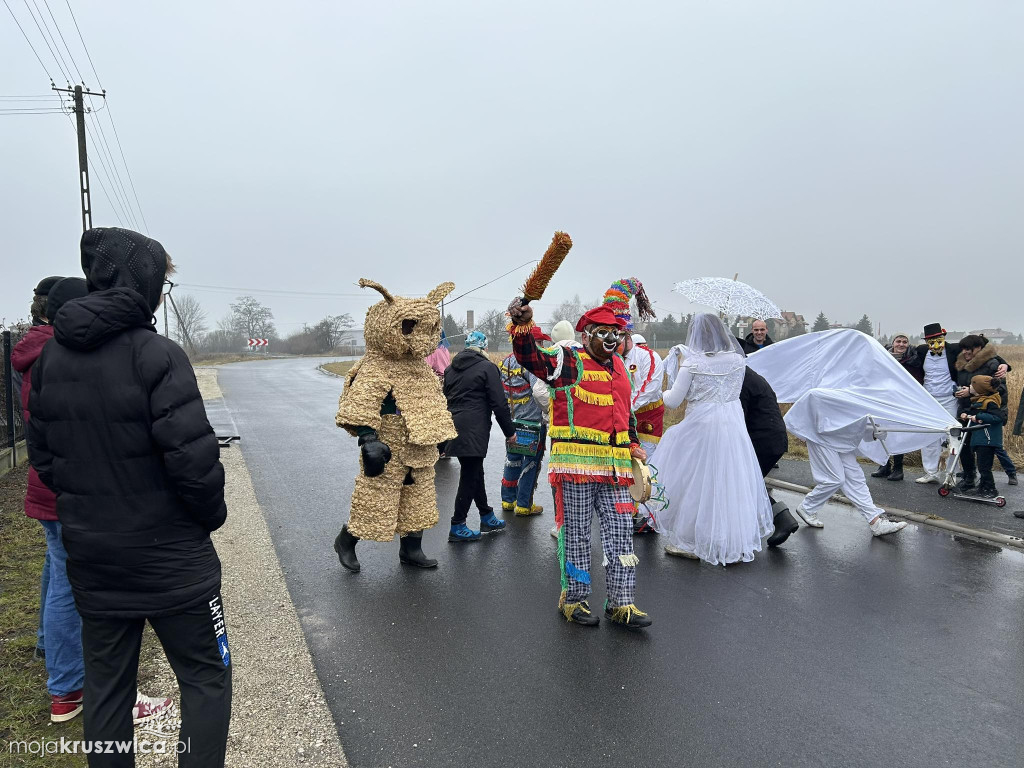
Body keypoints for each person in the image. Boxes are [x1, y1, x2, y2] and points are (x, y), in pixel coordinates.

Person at [28, 228, 231, 766]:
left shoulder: (50, 361)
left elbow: (44, 462)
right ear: (140, 279)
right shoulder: (159, 356)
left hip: (95, 560)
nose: (163, 293)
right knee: (206, 677)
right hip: (174, 562)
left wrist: (91, 508)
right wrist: (207, 522)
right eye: (161, 281)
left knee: (107, 689)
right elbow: (195, 465)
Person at [508, 300, 652, 629]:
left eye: (615, 333)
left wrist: (632, 444)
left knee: (621, 535)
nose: (611, 339)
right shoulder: (570, 362)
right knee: (576, 536)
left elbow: (625, 412)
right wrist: (523, 327)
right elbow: (532, 358)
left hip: (615, 470)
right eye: (603, 333)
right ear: (586, 336)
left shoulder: (619, 367)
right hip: (576, 468)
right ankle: (574, 600)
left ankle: (622, 603)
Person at [334, 279, 458, 571]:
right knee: (375, 500)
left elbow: (433, 401)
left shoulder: (420, 368)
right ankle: (346, 540)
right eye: (409, 327)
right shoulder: (375, 366)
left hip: (420, 445)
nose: (418, 338)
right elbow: (360, 402)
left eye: (426, 329)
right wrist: (368, 438)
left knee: (419, 499)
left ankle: (411, 550)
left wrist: (441, 432)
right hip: (387, 444)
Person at [650, 314, 774, 564]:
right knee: (729, 480)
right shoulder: (738, 360)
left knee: (696, 481)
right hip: (732, 423)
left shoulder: (693, 363)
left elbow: (674, 400)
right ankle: (732, 542)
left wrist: (663, 391)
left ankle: (691, 542)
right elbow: (734, 391)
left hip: (702, 425)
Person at [912, 324, 1008, 485]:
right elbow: (902, 354)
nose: (935, 343)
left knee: (953, 436)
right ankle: (931, 472)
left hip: (950, 399)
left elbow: (985, 353)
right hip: (929, 400)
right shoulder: (921, 352)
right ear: (926, 341)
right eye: (930, 340)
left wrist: (1004, 364)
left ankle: (952, 475)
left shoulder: (955, 349)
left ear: (944, 337)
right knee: (928, 436)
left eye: (938, 339)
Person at [443, 331, 516, 541]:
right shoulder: (487, 368)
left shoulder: (450, 369)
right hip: (474, 428)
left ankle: (486, 516)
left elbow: (445, 397)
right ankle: (457, 524)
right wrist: (509, 431)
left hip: (454, 427)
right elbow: (499, 403)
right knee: (469, 476)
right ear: (483, 348)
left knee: (474, 471)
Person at [739, 367, 799, 547]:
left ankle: (782, 519)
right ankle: (781, 519)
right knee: (748, 483)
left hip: (764, 440)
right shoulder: (751, 376)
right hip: (771, 438)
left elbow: (739, 417)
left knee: (743, 483)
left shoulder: (742, 380)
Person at [499, 326, 550, 517]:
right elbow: (539, 392)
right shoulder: (532, 364)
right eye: (541, 342)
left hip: (512, 421)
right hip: (533, 423)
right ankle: (523, 504)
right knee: (531, 463)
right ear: (533, 344)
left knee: (512, 460)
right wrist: (549, 411)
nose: (543, 346)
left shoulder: (506, 362)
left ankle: (507, 500)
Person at [953, 334, 1015, 491]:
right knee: (964, 446)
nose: (966, 352)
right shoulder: (960, 364)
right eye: (964, 349)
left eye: (969, 349)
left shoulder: (992, 364)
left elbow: (1000, 388)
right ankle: (969, 477)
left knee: (983, 450)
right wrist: (959, 392)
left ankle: (987, 484)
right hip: (965, 411)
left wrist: (972, 392)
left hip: (985, 412)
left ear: (979, 348)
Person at [871, 333, 922, 482]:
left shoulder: (914, 361)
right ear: (893, 343)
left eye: (904, 342)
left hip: (902, 402)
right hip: (884, 400)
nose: (901, 344)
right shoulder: (883, 358)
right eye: (898, 341)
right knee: (881, 433)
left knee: (897, 435)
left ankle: (898, 469)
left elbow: (917, 381)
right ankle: (884, 465)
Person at [961, 375, 1008, 499]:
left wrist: (979, 417)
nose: (970, 387)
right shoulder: (980, 401)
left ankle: (990, 489)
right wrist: (967, 415)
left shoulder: (990, 402)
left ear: (980, 389)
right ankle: (982, 486)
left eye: (973, 385)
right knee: (982, 465)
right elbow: (976, 413)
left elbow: (999, 418)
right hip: (981, 439)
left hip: (987, 439)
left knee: (984, 467)